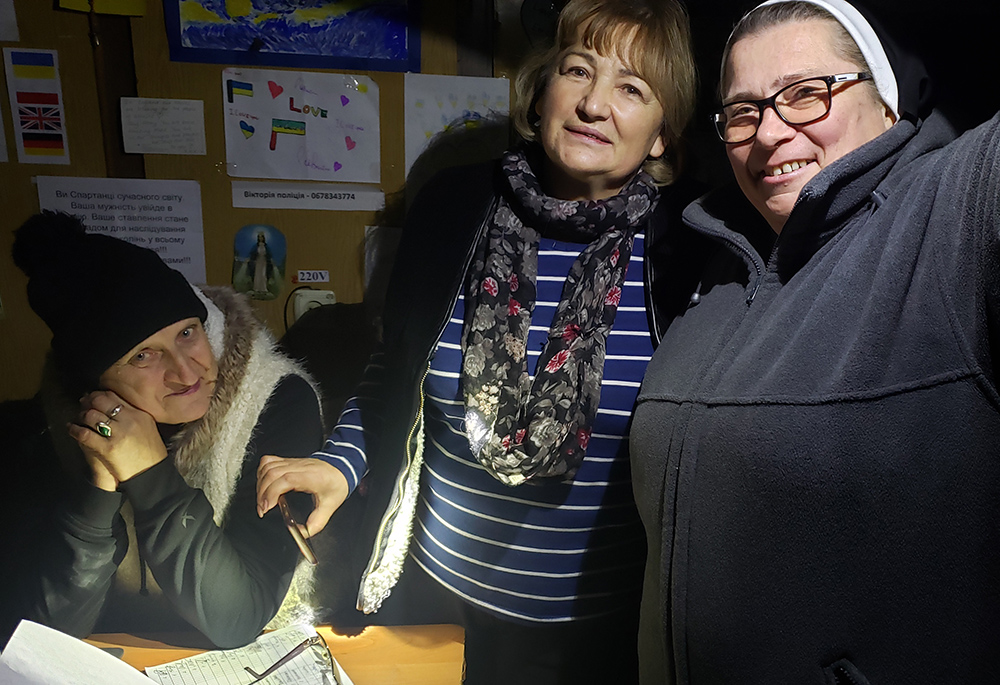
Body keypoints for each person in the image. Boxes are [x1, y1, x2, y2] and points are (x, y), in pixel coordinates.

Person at [255, 0, 699, 681]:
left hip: (604, 639)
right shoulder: (453, 208)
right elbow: (395, 367)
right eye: (577, 70)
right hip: (436, 610)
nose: (592, 104)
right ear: (543, 87)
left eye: (631, 88)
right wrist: (340, 462)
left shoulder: (688, 254)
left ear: (663, 133)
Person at [630, 0, 1000, 683]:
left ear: (886, 105)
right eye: (743, 111)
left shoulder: (954, 213)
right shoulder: (706, 261)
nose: (769, 132)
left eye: (806, 93)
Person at [0, 211, 323, 648]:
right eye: (142, 357)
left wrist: (151, 473)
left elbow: (239, 618)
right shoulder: (61, 427)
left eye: (188, 332)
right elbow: (48, 638)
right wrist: (100, 489)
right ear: (95, 385)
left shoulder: (276, 401)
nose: (186, 371)